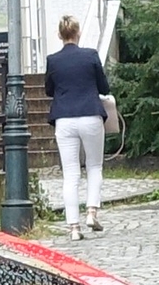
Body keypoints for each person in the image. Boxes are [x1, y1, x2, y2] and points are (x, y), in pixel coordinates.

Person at [46, 15, 111, 238]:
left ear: (59, 35)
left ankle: (73, 227)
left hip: (64, 118)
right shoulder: (90, 55)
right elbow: (104, 86)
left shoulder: (53, 60)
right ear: (78, 33)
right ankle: (92, 212)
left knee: (70, 173)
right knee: (94, 166)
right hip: (91, 114)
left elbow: (48, 90)